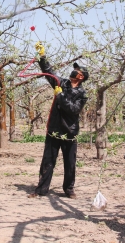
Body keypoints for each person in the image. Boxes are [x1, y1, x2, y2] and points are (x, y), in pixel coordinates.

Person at [28, 42, 88, 199]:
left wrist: (60, 96)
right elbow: (48, 72)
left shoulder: (82, 94)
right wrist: (42, 56)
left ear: (81, 76)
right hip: (54, 130)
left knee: (70, 164)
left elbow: (73, 109)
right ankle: (41, 189)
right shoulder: (61, 83)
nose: (73, 71)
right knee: (47, 161)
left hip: (69, 132)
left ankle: (69, 189)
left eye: (77, 70)